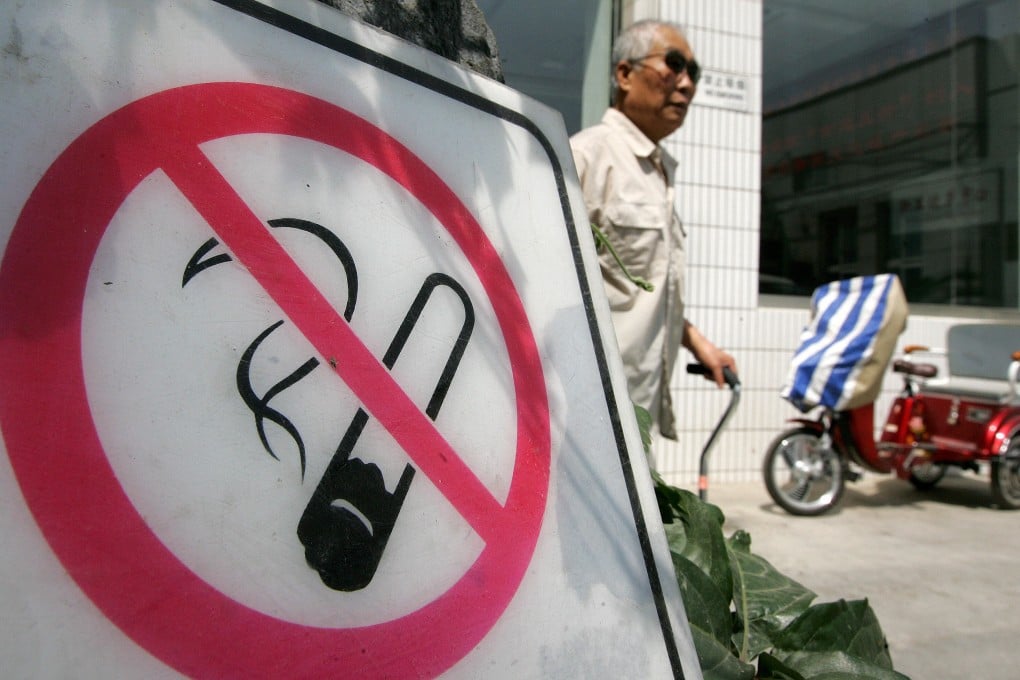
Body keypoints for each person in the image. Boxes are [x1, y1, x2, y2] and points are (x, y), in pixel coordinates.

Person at [570, 19, 737, 443]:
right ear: (625, 74)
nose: (686, 84)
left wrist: (698, 343)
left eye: (693, 73)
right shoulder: (586, 158)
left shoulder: (657, 171)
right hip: (585, 414)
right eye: (674, 65)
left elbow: (644, 284)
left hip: (636, 412)